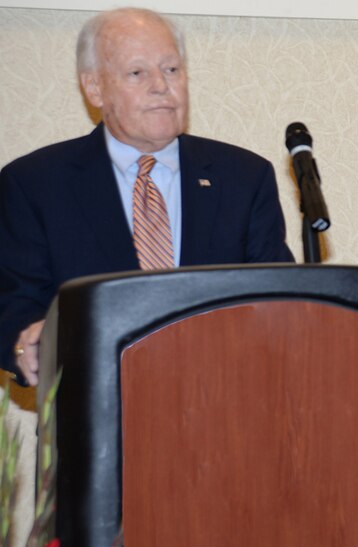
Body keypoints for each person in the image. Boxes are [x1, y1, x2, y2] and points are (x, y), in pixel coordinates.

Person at [0, 7, 294, 387]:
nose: (161, 85)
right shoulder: (35, 183)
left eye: (171, 69)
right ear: (94, 88)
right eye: (137, 73)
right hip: (94, 415)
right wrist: (26, 345)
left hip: (225, 415)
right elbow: (12, 302)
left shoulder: (244, 177)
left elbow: (279, 301)